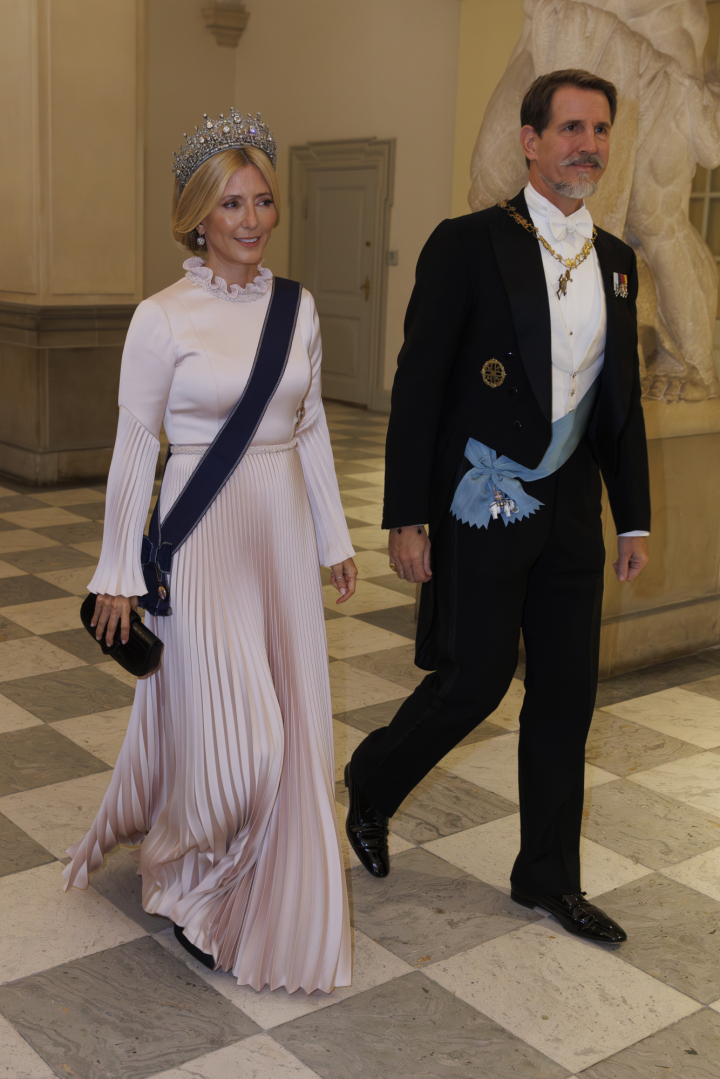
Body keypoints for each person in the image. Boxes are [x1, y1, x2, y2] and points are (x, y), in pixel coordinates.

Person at [346, 70, 650, 944]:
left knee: (566, 695)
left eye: (598, 130)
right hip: (484, 505)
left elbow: (618, 403)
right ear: (530, 139)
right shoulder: (469, 243)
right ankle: (373, 778)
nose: (586, 144)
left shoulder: (620, 265)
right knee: (473, 682)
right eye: (569, 128)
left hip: (571, 518)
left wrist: (631, 516)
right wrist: (407, 514)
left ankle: (546, 877)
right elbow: (419, 386)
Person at [63, 110, 357, 994]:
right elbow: (134, 446)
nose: (253, 219)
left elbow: (308, 430)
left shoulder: (297, 307)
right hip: (201, 540)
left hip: (278, 531)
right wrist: (117, 569)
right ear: (199, 215)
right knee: (243, 746)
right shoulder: (161, 318)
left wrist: (334, 537)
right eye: (232, 203)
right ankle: (181, 866)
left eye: (264, 200)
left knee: (294, 725)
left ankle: (255, 885)